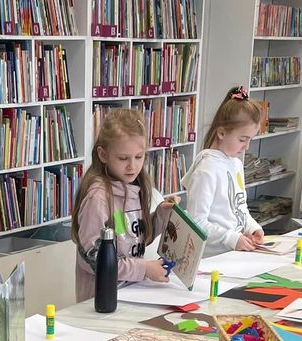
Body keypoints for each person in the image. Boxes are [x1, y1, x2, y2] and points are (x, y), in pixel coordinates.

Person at [71, 108, 175, 302]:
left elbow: (135, 237)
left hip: (132, 294)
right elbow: (94, 259)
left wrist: (161, 215)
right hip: (100, 302)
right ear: (103, 155)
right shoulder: (98, 199)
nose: (132, 166)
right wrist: (144, 269)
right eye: (123, 158)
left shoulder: (136, 187)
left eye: (139, 157)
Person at [181, 85, 264, 254]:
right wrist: (231, 238)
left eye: (250, 140)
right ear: (221, 133)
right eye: (242, 139)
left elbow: (239, 207)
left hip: (232, 255)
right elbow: (196, 222)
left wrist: (252, 228)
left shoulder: (235, 163)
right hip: (211, 260)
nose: (247, 146)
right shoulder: (206, 170)